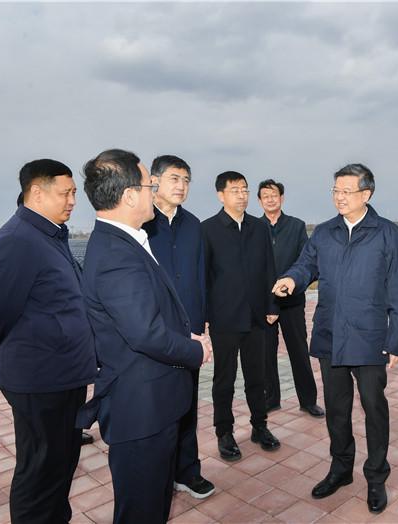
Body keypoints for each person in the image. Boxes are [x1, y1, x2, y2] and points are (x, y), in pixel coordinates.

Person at [77, 149, 212, 524]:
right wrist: (195, 350)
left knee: (153, 504)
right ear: (129, 195)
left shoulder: (125, 241)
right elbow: (146, 334)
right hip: (140, 409)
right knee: (142, 509)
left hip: (151, 402)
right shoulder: (116, 254)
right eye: (149, 185)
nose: (154, 191)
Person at [273, 163, 398, 514]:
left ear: (366, 194)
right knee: (336, 408)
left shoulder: (386, 233)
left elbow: (397, 288)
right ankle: (341, 468)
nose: (339, 197)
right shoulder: (324, 232)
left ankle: (376, 477)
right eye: (335, 190)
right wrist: (292, 279)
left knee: (373, 406)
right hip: (331, 333)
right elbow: (306, 265)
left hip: (369, 337)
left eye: (346, 191)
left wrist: (395, 340)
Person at [0, 159, 96, 524]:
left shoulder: (50, 234)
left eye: (74, 193)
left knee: (61, 463)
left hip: (63, 373)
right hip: (39, 377)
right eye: (65, 193)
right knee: (40, 469)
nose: (72, 201)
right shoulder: (18, 240)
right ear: (36, 192)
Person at [143, 155, 214, 499]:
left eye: (186, 180)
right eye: (174, 178)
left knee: (187, 404)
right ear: (154, 181)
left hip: (190, 332)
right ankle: (157, 474)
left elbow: (200, 276)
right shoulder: (141, 224)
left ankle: (187, 471)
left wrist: (201, 322)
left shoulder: (193, 225)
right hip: (154, 332)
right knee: (155, 407)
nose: (181, 186)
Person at [201, 171, 281, 462]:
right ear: (220, 195)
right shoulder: (207, 229)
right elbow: (203, 276)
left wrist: (272, 305)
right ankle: (224, 432)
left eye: (245, 190)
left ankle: (260, 426)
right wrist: (204, 315)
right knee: (224, 379)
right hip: (224, 318)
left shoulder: (258, 228)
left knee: (257, 377)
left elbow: (270, 268)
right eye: (235, 190)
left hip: (256, 317)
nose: (242, 195)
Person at [257, 179, 324, 418]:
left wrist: (290, 284)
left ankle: (308, 401)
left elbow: (304, 261)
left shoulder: (296, 226)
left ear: (282, 198)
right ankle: (271, 399)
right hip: (264, 303)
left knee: (299, 352)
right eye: (265, 196)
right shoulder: (255, 227)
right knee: (266, 354)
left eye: (274, 195)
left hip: (292, 302)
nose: (270, 199)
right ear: (260, 201)